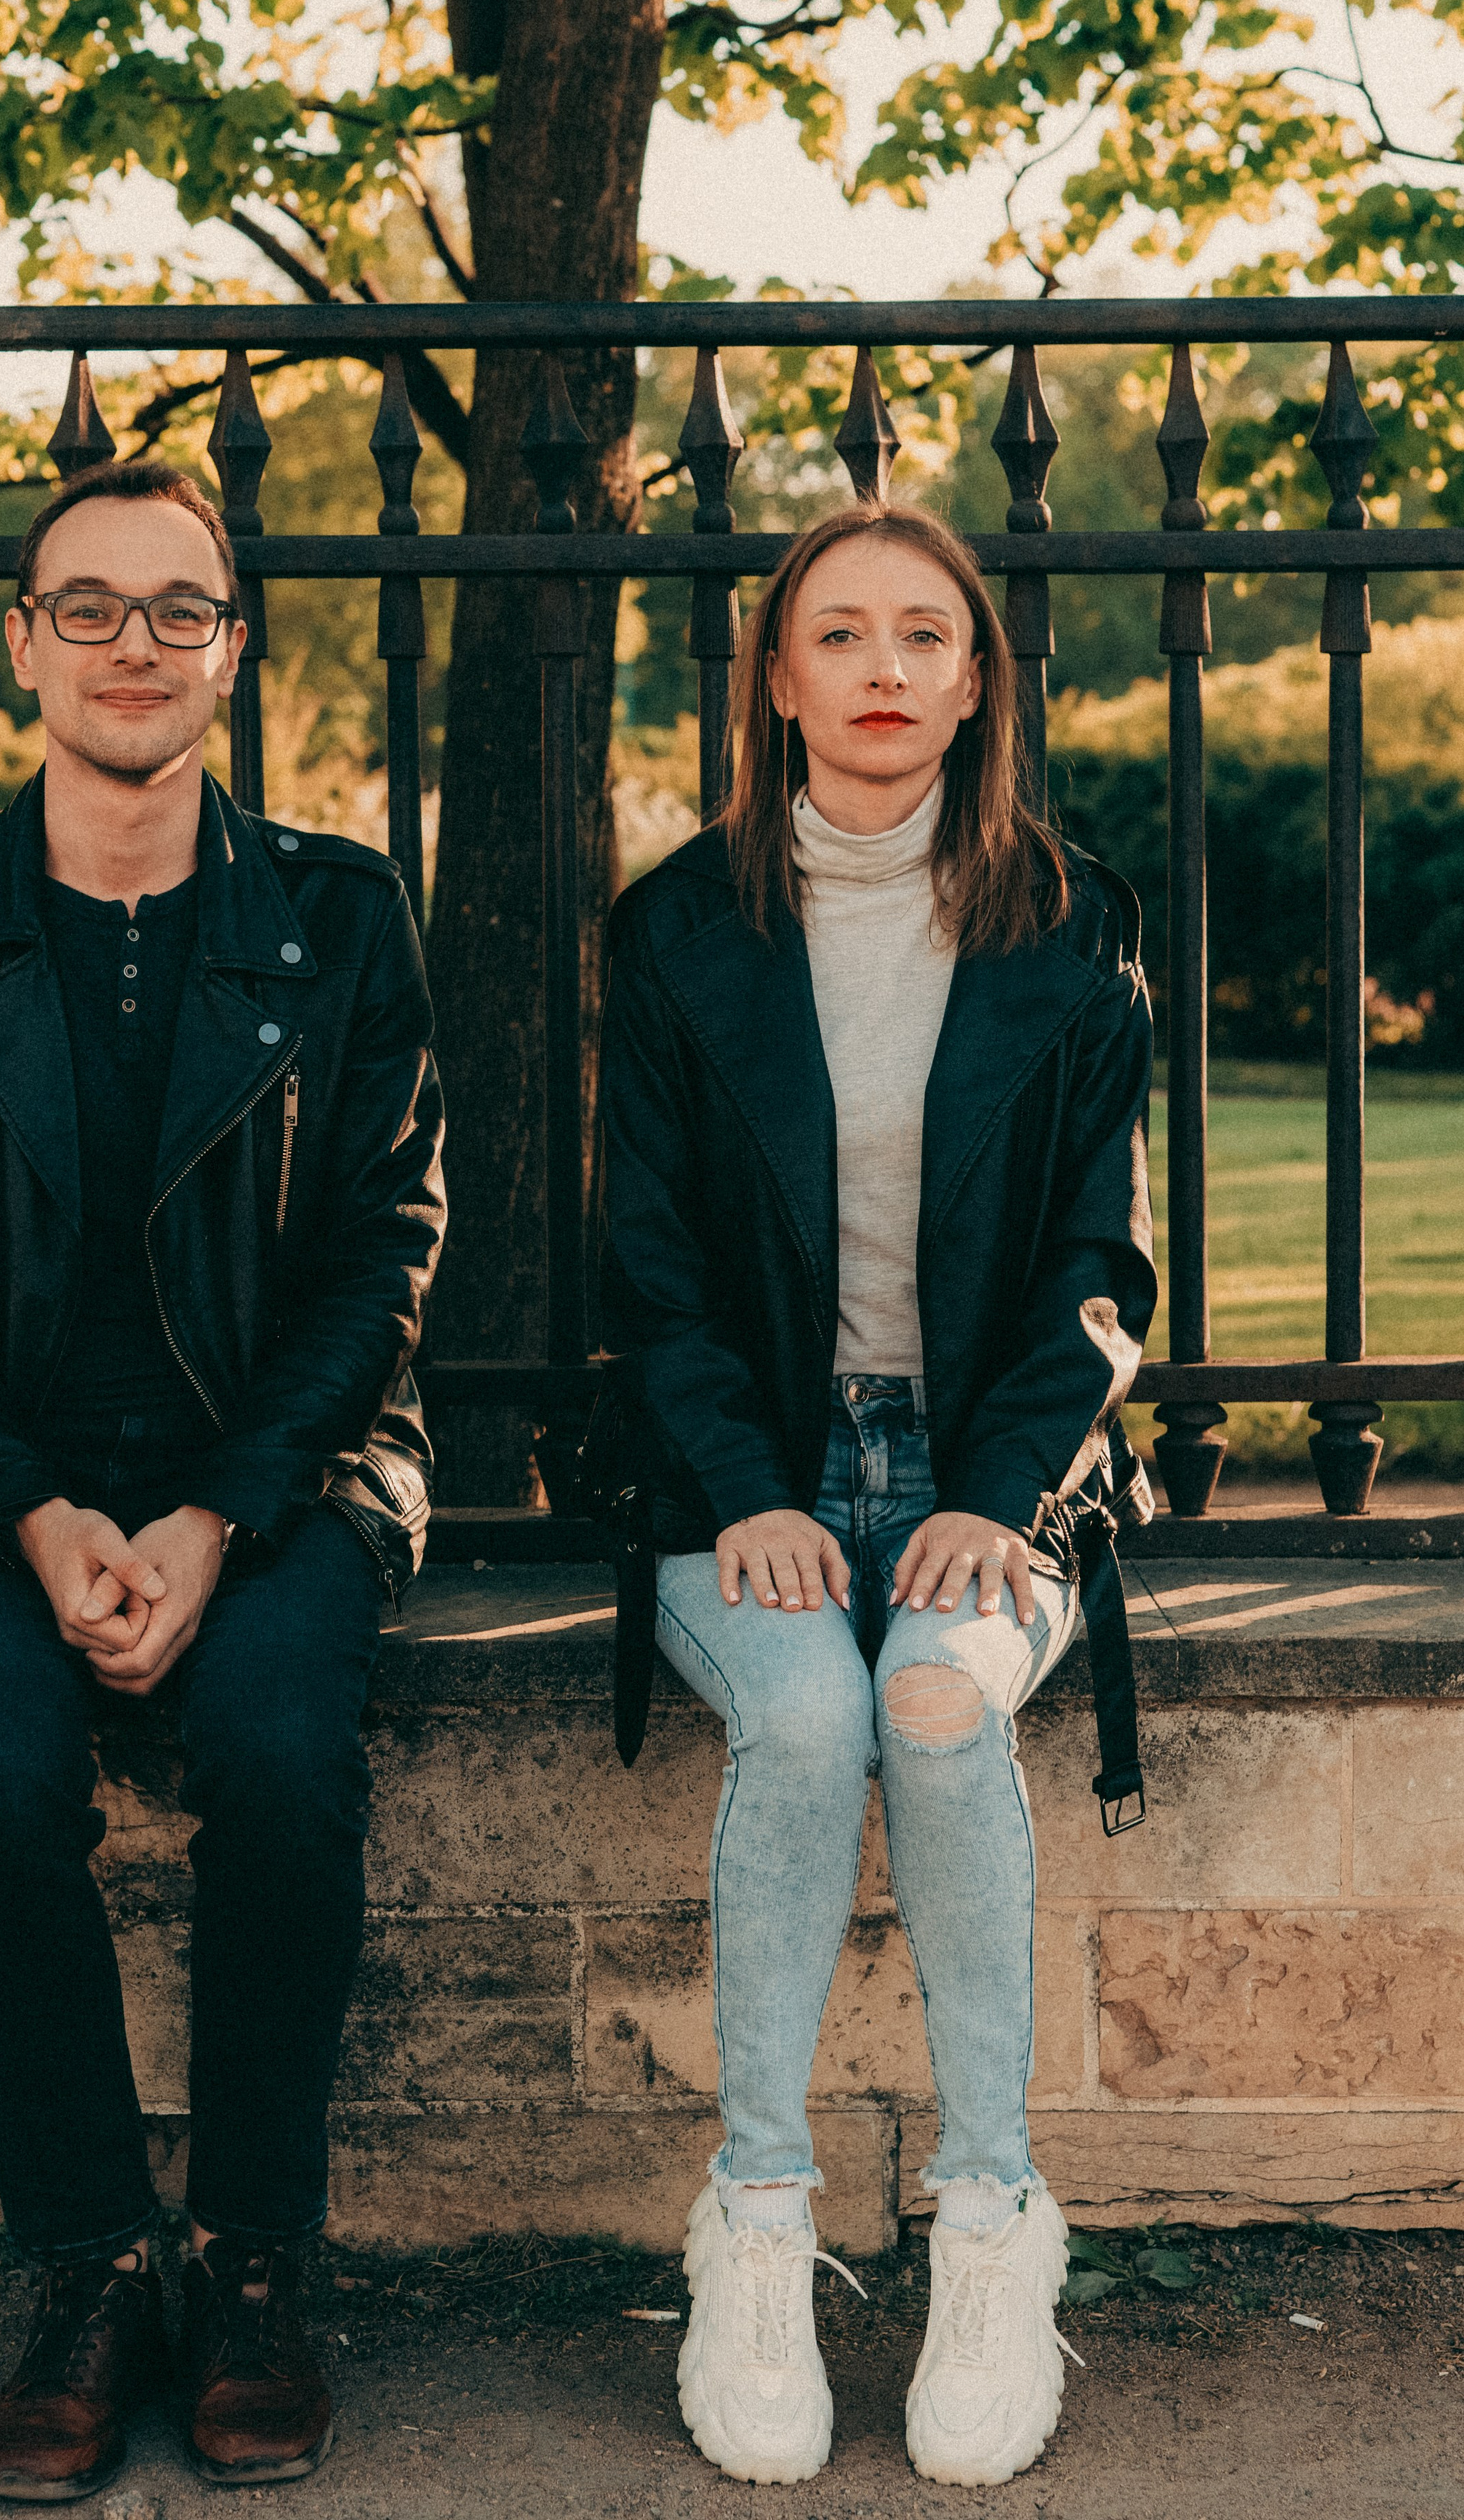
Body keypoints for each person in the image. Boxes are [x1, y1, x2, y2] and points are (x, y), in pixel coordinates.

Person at [0, 458, 445, 2500]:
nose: (137, 645)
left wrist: (215, 1510)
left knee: (276, 1748)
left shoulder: (338, 919)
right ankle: (91, 2266)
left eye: (181, 608)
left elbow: (382, 1246)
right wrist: (32, 1508)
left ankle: (251, 2267)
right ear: (22, 644)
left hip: (282, 1473)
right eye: (91, 606)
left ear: (233, 649)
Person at [596, 498, 1156, 2490]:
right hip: (743, 1469)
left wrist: (1000, 1492)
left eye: (928, 632)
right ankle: (758, 2216)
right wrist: (748, 1482)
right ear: (778, 675)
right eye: (843, 633)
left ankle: (994, 2221)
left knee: (928, 1695)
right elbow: (647, 1263)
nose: (888, 668)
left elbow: (1104, 1262)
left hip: (986, 1471)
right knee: (814, 1705)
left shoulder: (1070, 923)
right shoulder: (676, 930)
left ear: (979, 673)